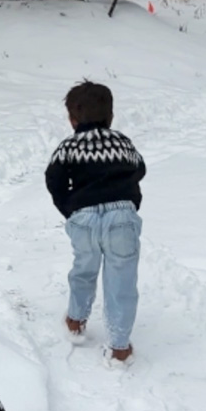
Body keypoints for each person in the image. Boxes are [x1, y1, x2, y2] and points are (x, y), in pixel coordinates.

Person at [45, 81, 146, 363]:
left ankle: (76, 320)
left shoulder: (68, 147)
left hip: (84, 219)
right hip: (122, 218)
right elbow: (139, 169)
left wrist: (70, 208)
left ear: (72, 119)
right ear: (110, 116)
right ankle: (120, 346)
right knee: (122, 280)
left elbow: (53, 179)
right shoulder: (122, 142)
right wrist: (127, 198)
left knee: (84, 269)